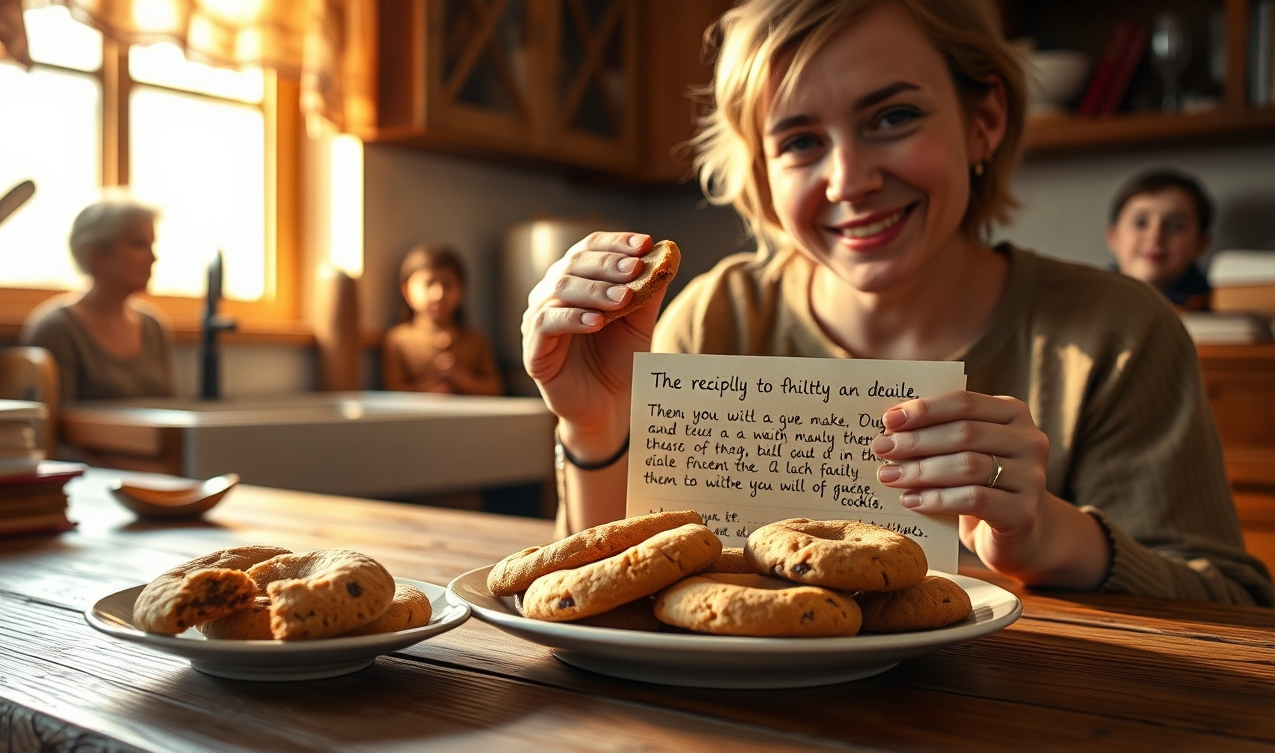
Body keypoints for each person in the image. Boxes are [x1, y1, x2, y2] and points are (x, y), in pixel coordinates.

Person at [521, 0, 1271, 605]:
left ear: (984, 122)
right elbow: (593, 593)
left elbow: (1236, 609)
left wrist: (1050, 538)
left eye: (893, 117)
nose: (849, 180)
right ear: (762, 173)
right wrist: (597, 427)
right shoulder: (713, 318)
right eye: (800, 141)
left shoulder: (1118, 334)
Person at [21, 197, 176, 402]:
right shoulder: (57, 329)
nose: (153, 257)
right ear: (96, 253)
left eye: (152, 244)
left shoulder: (153, 327)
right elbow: (56, 417)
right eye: (139, 244)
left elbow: (170, 408)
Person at [382, 243, 503, 395]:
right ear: (407, 291)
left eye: (447, 285)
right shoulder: (398, 340)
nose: (438, 294)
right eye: (429, 284)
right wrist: (427, 391)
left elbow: (495, 388)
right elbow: (393, 390)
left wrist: (462, 379)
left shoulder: (476, 341)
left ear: (461, 290)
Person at [1105, 168, 1215, 310]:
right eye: (1140, 223)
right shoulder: (1089, 300)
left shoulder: (1220, 307)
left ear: (1201, 243)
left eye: (1175, 226)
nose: (1155, 237)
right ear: (1113, 237)